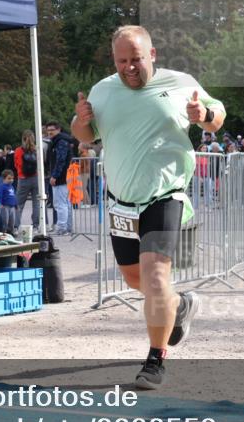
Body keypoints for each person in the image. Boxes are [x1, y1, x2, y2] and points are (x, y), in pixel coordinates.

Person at [71, 25, 225, 389]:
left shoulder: (179, 82)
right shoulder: (102, 90)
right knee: (135, 279)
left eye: (136, 59)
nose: (129, 67)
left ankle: (155, 361)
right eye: (122, 60)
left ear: (152, 55)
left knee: (155, 277)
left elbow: (217, 117)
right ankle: (181, 306)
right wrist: (80, 120)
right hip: (122, 202)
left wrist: (201, 114)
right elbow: (85, 136)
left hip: (164, 195)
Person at [46, 121, 76, 235]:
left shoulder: (60, 142)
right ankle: (67, 227)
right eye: (48, 130)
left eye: (52, 130)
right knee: (66, 203)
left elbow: (60, 160)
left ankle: (62, 228)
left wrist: (54, 175)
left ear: (58, 129)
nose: (50, 132)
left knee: (60, 204)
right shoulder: (62, 140)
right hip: (66, 176)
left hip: (61, 177)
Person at [14, 130, 41, 230]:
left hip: (23, 179)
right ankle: (36, 225)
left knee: (19, 204)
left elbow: (16, 165)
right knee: (36, 203)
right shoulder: (37, 150)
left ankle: (16, 226)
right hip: (36, 178)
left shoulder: (18, 150)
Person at [0, 170, 18, 234]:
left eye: (12, 178)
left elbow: (13, 196)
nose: (11, 180)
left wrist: (16, 205)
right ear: (4, 179)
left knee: (12, 221)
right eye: (9, 178)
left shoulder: (11, 187)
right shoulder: (2, 187)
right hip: (5, 206)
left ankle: (11, 232)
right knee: (5, 221)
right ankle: (4, 232)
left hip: (12, 207)